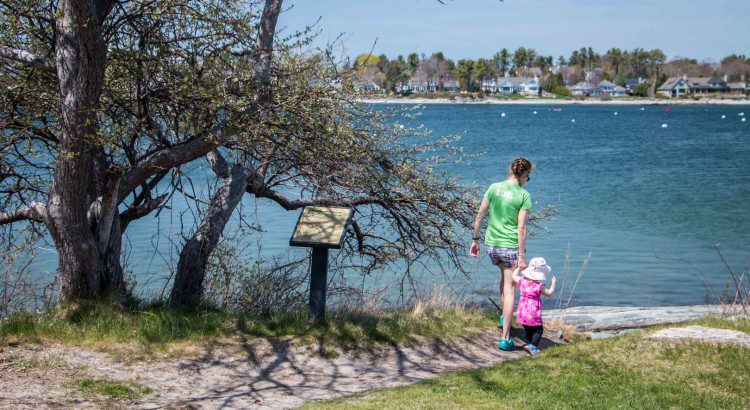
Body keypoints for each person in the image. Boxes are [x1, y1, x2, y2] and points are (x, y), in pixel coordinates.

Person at [470, 157, 533, 351]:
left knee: (504, 277)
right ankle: (505, 338)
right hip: (510, 248)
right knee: (510, 289)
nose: (527, 180)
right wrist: (522, 257)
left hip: (492, 245)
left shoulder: (494, 188)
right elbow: (521, 228)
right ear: (523, 175)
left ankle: (502, 317)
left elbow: (480, 215)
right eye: (528, 177)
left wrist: (474, 240)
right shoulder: (523, 195)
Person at [511, 257, 556, 356]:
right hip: (533, 312)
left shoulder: (522, 281)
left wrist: (519, 268)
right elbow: (549, 293)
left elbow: (514, 276)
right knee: (538, 329)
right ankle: (533, 346)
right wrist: (553, 284)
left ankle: (529, 344)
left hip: (522, 311)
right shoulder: (539, 286)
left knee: (528, 328)